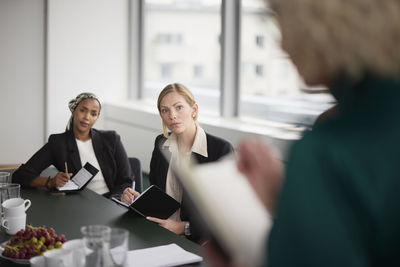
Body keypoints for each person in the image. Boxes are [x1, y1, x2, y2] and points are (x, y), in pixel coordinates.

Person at [205, 0, 400, 266]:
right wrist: (287, 199)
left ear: (321, 20)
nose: (283, 44)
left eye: (280, 17)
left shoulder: (328, 150)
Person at [121, 83, 233, 241]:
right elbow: (157, 191)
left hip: (201, 241)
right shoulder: (161, 143)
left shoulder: (220, 150)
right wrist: (139, 200)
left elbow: (226, 213)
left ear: (194, 110)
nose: (172, 115)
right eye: (165, 110)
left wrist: (184, 228)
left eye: (179, 107)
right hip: (160, 231)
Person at [13, 92, 133, 197]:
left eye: (93, 114)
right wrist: (50, 182)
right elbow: (21, 175)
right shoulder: (58, 143)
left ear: (96, 117)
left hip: (111, 202)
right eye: (83, 110)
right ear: (73, 110)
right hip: (79, 204)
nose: (87, 117)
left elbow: (126, 180)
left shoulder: (111, 139)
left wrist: (115, 201)